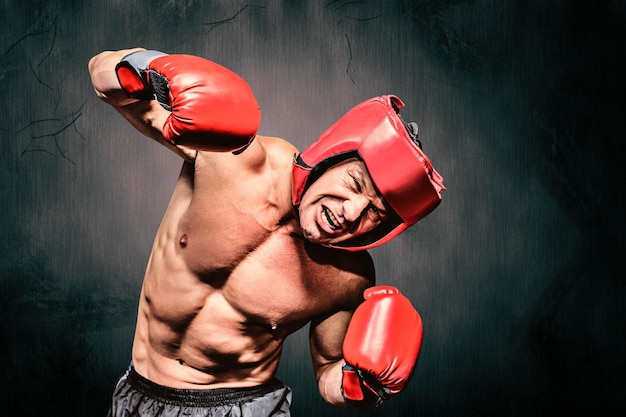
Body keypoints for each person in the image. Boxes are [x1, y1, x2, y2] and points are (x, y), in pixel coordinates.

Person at [88, 47, 445, 417]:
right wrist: (149, 69)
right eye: (354, 183)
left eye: (375, 212)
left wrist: (362, 385)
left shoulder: (348, 277)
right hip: (139, 395)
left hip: (243, 409)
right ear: (329, 156)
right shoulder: (234, 157)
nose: (351, 212)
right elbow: (103, 79)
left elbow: (328, 372)